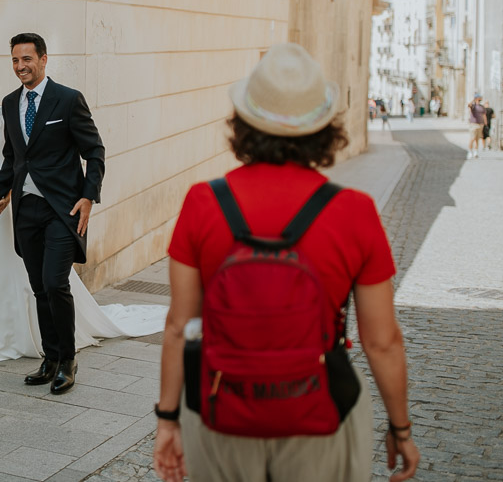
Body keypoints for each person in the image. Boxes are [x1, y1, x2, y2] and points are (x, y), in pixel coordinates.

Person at [151, 43, 418, 482]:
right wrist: (400, 428)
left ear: (243, 122)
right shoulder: (354, 210)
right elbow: (383, 341)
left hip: (222, 411)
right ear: (322, 128)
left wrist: (167, 419)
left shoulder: (204, 202)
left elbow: (180, 326)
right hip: (321, 413)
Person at [0, 57, 164, 367]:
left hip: (10, 204)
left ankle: (39, 347)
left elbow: (17, 157)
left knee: (29, 277)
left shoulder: (7, 111)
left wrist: (10, 195)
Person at [0, 34, 106, 395]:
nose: (20, 66)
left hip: (62, 208)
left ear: (43, 59)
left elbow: (95, 151)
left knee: (56, 283)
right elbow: (14, 156)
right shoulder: (10, 104)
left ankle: (68, 360)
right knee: (39, 286)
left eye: (27, 59)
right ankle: (50, 359)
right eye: (14, 60)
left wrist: (89, 197)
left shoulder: (68, 100)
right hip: (26, 210)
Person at [467, 93, 486, 159]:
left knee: (477, 139)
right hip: (473, 124)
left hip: (480, 124)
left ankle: (476, 151)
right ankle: (470, 151)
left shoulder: (482, 106)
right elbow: (469, 105)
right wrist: (473, 100)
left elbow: (484, 115)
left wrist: (485, 124)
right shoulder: (473, 106)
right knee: (472, 138)